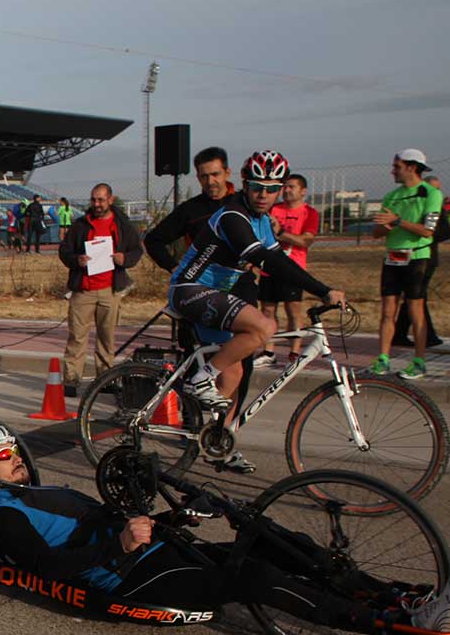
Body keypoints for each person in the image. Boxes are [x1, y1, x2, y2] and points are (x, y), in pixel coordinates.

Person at [0, 424, 450, 635]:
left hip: (151, 550)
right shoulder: (5, 516)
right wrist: (118, 545)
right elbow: (47, 569)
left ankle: (405, 599)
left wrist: (174, 514)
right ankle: (407, 626)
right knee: (248, 577)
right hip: (129, 577)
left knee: (273, 540)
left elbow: (117, 521)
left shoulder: (39, 489)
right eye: (4, 457)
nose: (18, 459)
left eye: (16, 450)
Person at [166, 150, 346, 472]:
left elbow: (283, 262)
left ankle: (220, 443)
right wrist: (322, 290)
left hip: (213, 294)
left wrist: (323, 287)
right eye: (258, 187)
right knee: (264, 328)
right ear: (245, 185)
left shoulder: (262, 221)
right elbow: (265, 259)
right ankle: (199, 381)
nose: (264, 195)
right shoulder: (232, 215)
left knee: (234, 372)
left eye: (273, 188)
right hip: (189, 290)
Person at [57, 183, 142, 396]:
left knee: (107, 337)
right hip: (83, 289)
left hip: (109, 290)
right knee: (77, 336)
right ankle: (71, 379)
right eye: (94, 199)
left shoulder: (122, 225)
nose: (96, 204)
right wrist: (77, 260)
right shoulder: (80, 225)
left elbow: (136, 250)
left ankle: (105, 378)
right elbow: (64, 251)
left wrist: (125, 259)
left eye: (101, 200)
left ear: (110, 200)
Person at [369, 149, 443, 380]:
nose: (392, 171)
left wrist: (398, 221)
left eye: (397, 166)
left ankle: (419, 360)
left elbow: (428, 230)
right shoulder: (392, 196)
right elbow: (377, 232)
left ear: (412, 167)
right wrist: (387, 225)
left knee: (415, 309)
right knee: (387, 310)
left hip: (418, 257)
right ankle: (383, 358)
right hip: (392, 257)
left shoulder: (430, 194)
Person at [262, 173, 321, 367]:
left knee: (293, 310)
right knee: (268, 310)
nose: (287, 190)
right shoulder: (273, 209)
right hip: (269, 268)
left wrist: (281, 233)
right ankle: (268, 351)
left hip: (292, 268)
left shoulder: (309, 213)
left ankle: (294, 353)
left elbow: (306, 240)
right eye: (285, 187)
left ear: (303, 191)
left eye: (292, 187)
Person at [144, 146, 234, 272]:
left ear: (227, 173)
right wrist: (174, 268)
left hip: (241, 282)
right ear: (198, 177)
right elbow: (153, 240)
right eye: (204, 176)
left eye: (215, 174)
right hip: (203, 284)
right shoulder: (190, 210)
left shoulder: (242, 203)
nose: (210, 181)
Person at [394, 175, 447, 350]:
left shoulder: (435, 207)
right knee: (411, 297)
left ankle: (421, 335)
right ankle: (406, 334)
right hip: (400, 254)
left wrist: (424, 234)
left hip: (425, 256)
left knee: (416, 297)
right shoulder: (407, 202)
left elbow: (439, 231)